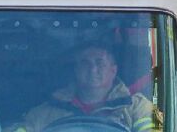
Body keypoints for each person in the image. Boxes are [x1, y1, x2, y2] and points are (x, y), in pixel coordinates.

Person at [15, 44, 157, 132]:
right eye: (85, 63)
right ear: (76, 70)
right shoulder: (45, 112)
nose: (93, 69)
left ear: (113, 70)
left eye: (99, 63)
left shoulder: (136, 107)